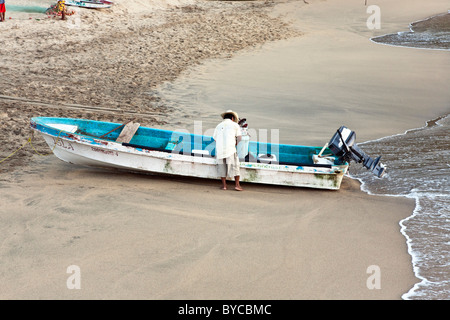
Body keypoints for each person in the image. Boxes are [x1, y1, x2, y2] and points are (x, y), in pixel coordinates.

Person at [213, 110, 243, 191]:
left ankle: (224, 186)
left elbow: (215, 139)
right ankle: (237, 185)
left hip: (220, 151)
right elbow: (239, 138)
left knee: (222, 168)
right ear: (232, 118)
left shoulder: (218, 126)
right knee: (235, 167)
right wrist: (235, 143)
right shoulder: (235, 125)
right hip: (230, 150)